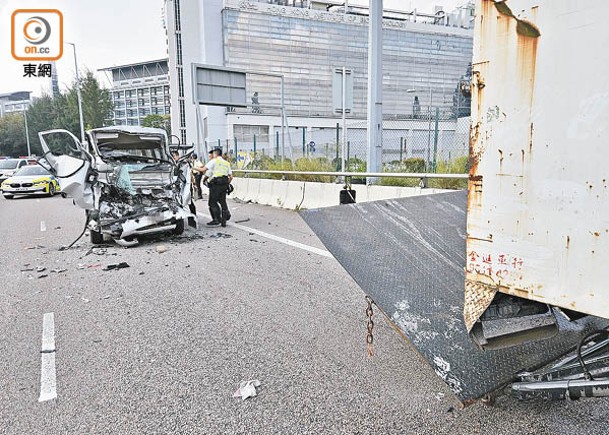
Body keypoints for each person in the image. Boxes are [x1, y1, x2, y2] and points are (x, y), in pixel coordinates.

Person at [194, 147, 232, 227]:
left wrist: (192, 167)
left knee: (212, 202)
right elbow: (231, 177)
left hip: (216, 184)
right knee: (223, 201)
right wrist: (226, 184)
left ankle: (216, 219)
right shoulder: (226, 163)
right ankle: (224, 220)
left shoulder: (214, 161)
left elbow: (203, 169)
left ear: (215, 154)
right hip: (224, 183)